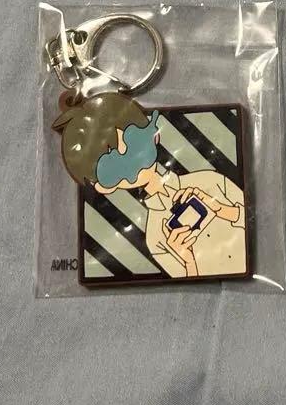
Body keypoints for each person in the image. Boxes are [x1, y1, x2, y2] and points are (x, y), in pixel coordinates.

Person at [52, 94, 246, 278]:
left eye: (136, 143)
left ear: (154, 135)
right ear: (105, 187)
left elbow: (254, 222)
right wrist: (187, 259)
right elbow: (191, 283)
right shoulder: (156, 238)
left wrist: (223, 210)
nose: (135, 164)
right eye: (115, 166)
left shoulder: (210, 181)